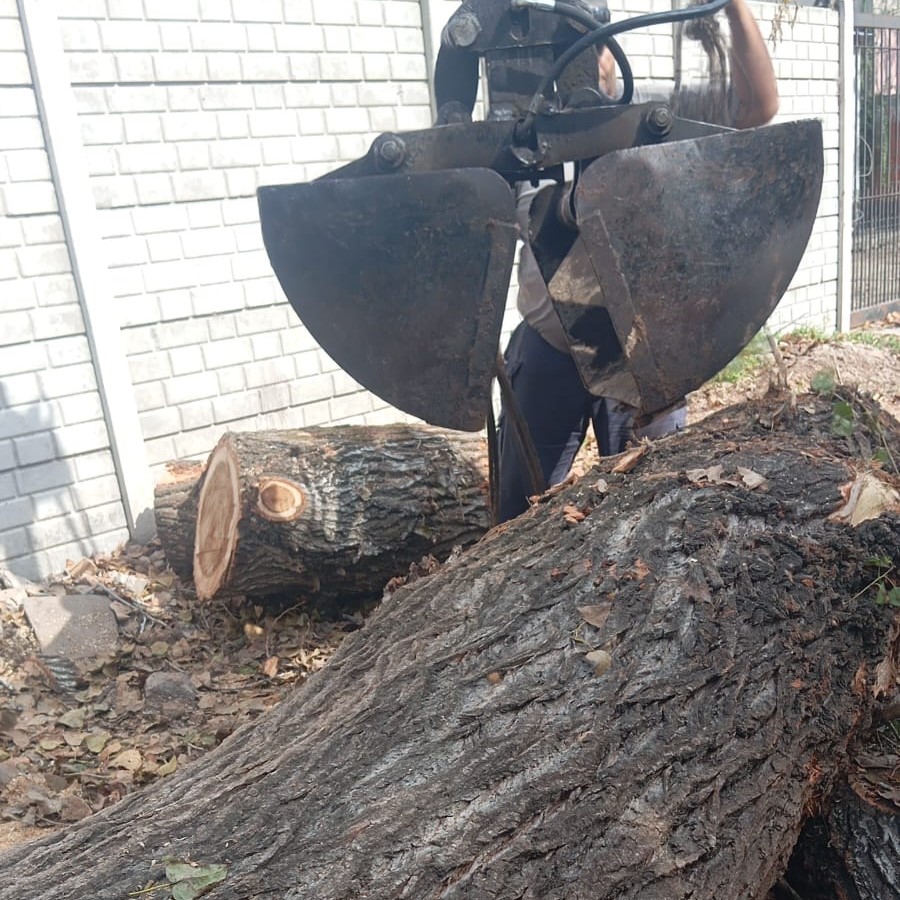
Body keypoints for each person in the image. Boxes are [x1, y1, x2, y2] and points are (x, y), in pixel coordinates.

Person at [496, 0, 779, 523]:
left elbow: (757, 107)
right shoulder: (518, 138)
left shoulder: (651, 119)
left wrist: (736, 7)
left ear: (606, 49)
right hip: (550, 347)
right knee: (519, 510)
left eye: (589, 44)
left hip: (641, 352)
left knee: (657, 510)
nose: (580, 60)